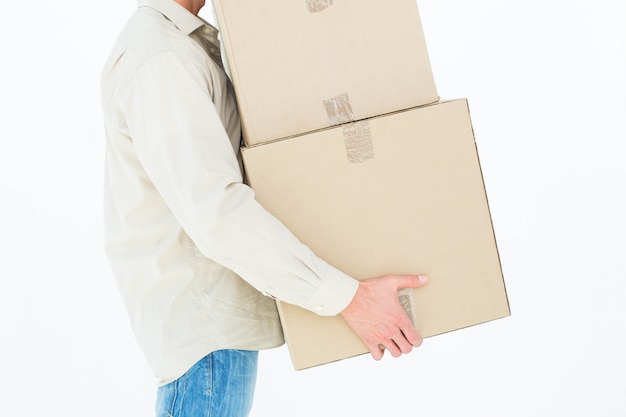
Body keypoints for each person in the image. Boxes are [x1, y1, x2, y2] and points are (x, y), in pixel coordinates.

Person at [100, 0, 429, 415]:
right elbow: (218, 214)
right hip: (207, 337)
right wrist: (348, 299)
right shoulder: (162, 59)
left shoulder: (178, 46)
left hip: (212, 333)